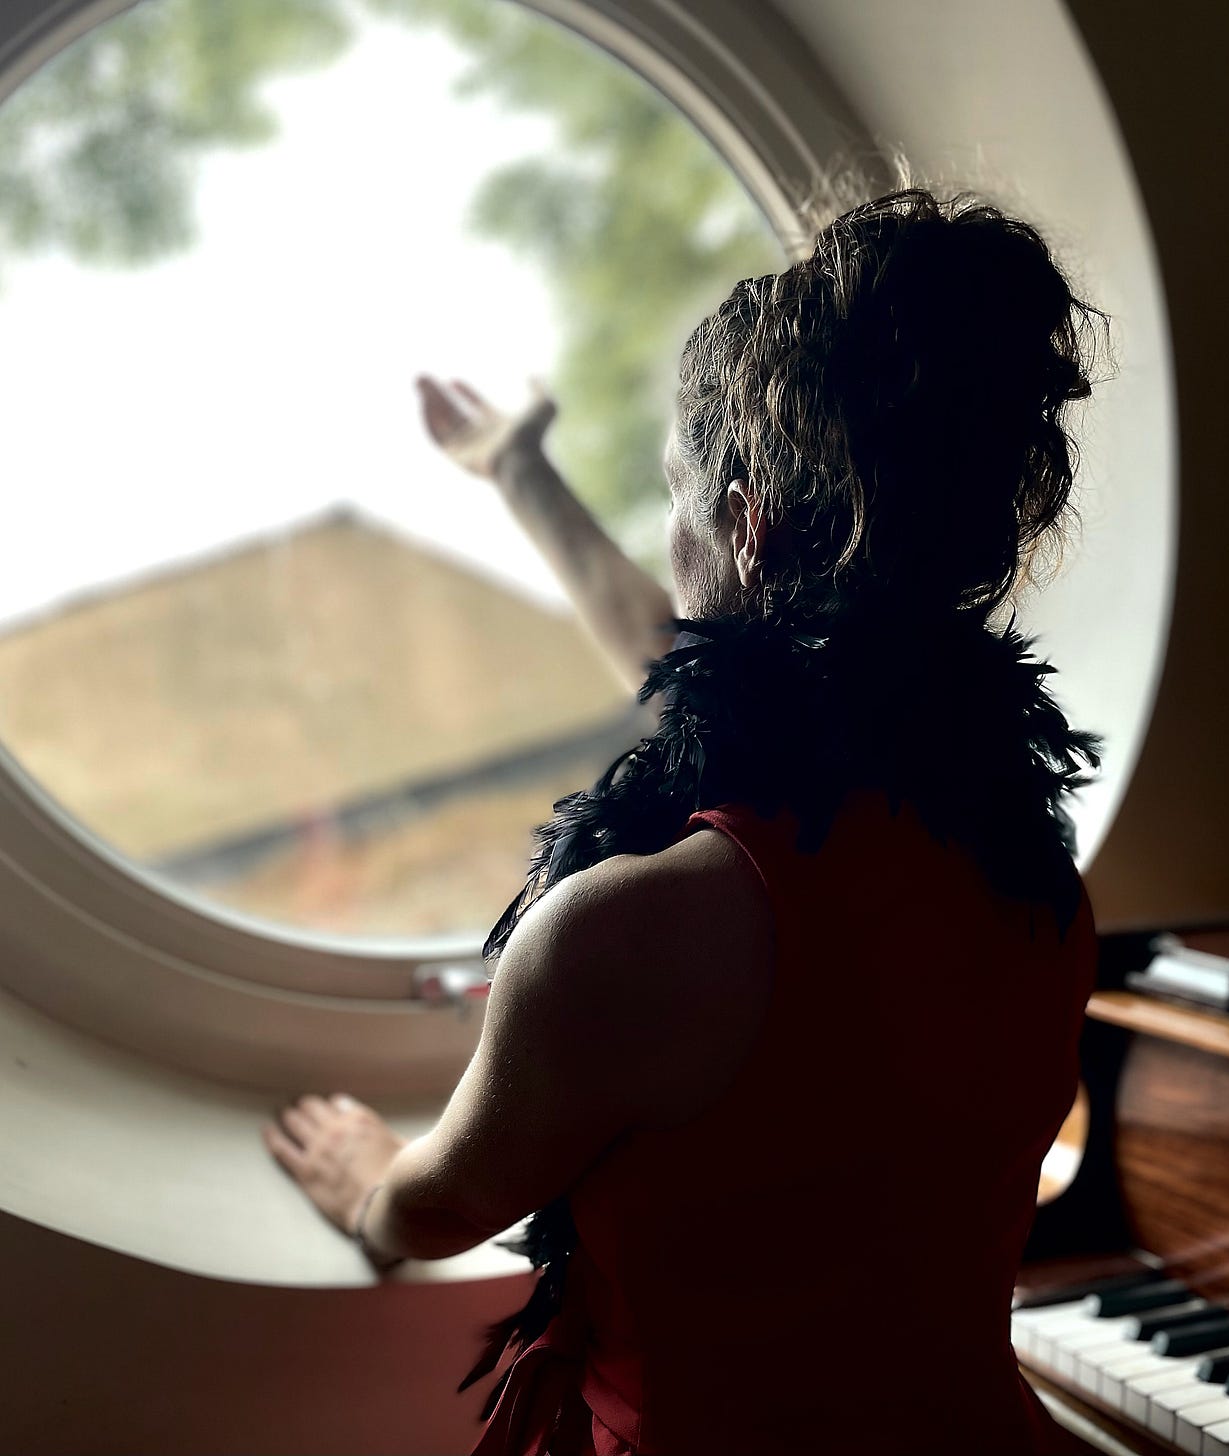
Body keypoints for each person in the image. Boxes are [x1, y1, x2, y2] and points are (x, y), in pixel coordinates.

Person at [263, 188, 1104, 1455]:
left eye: (677, 501)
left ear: (747, 531)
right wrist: (519, 475)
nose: (671, 547)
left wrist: (365, 1181)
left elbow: (434, 1208)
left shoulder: (633, 934)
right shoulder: (1029, 875)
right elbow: (695, 669)